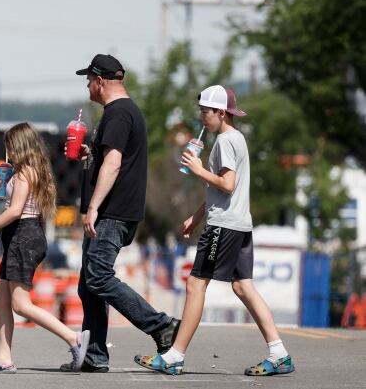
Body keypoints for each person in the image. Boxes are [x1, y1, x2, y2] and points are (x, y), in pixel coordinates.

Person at [134, 85, 295, 376]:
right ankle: (279, 353)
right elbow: (220, 189)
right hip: (238, 223)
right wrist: (196, 217)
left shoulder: (225, 141)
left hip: (224, 225)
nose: (201, 118)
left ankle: (174, 356)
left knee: (196, 284)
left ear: (221, 112)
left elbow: (227, 184)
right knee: (243, 285)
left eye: (205, 112)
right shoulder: (235, 138)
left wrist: (197, 169)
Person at [60, 54, 179, 373]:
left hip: (112, 212)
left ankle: (161, 326)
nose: (87, 84)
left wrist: (94, 207)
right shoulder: (124, 113)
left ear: (100, 81)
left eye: (88, 79)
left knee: (98, 276)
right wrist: (91, 152)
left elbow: (114, 165)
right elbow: (111, 158)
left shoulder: (118, 114)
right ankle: (95, 355)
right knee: (88, 284)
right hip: (114, 211)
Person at [0, 122, 90, 374]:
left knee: (20, 305)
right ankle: (4, 359)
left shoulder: (25, 173)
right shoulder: (26, 171)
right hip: (19, 236)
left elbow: (16, 211)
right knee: (0, 298)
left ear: (19, 146)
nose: (8, 152)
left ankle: (73, 338)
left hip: (23, 237)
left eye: (10, 147)